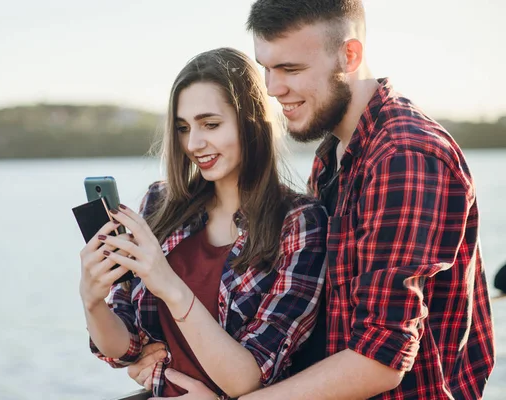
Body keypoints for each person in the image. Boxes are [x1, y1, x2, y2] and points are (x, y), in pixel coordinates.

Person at [127, 1, 496, 399]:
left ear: (349, 55)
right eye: (266, 67)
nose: (272, 88)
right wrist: (166, 352)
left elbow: (381, 359)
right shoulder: (333, 156)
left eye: (291, 69)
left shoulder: (404, 157)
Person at [79, 47, 328, 399]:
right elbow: (127, 346)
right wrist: (92, 301)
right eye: (183, 128)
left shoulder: (299, 224)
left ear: (251, 121)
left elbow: (248, 379)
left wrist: (169, 285)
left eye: (210, 124)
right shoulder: (160, 204)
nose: (194, 144)